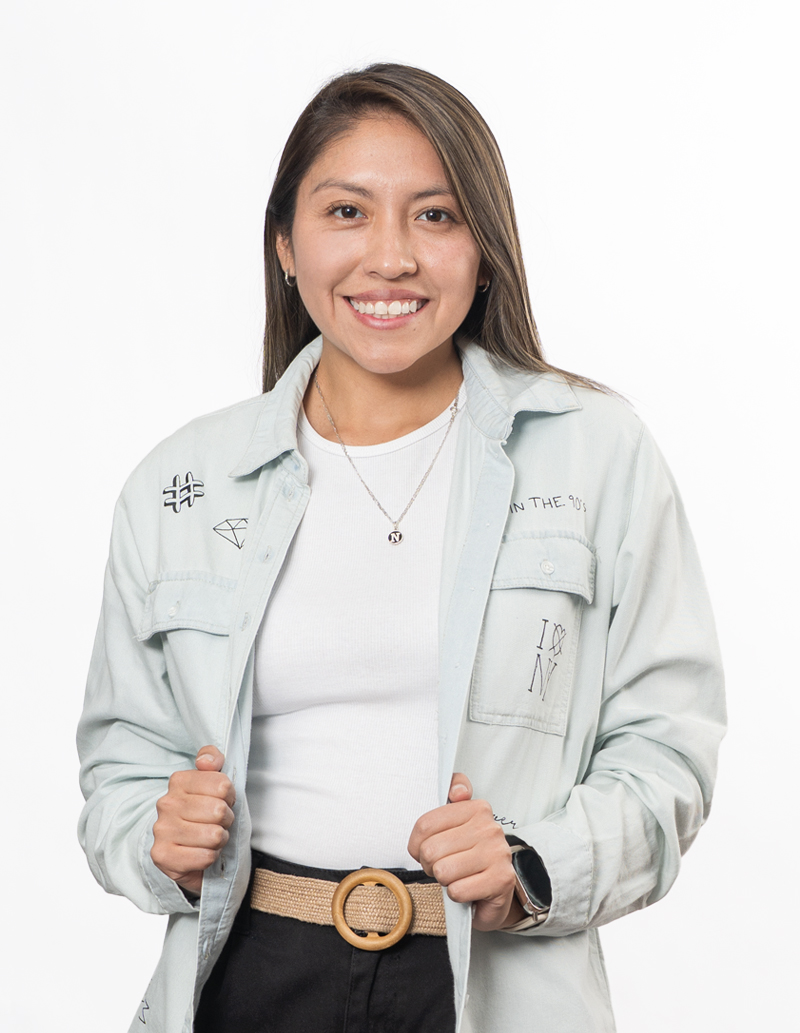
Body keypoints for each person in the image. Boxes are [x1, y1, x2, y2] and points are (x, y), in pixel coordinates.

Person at [77, 63, 725, 1033]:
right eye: (346, 212)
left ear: (485, 249)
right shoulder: (182, 484)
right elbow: (121, 763)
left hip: (490, 985)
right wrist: (154, 838)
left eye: (435, 215)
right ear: (284, 243)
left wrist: (533, 865)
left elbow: (667, 742)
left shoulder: (596, 450)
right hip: (250, 977)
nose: (390, 257)